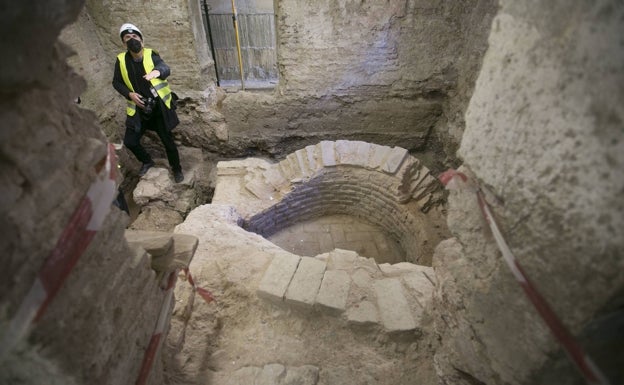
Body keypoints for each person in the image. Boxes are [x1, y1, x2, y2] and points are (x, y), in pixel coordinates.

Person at [112, 23, 184, 183]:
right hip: (139, 110)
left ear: (141, 39)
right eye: (128, 38)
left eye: (135, 36)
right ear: (124, 43)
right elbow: (116, 82)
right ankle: (147, 161)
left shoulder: (151, 55)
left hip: (158, 109)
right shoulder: (121, 60)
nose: (132, 40)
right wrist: (130, 95)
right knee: (130, 141)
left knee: (168, 143)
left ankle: (177, 169)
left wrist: (157, 72)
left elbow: (164, 67)